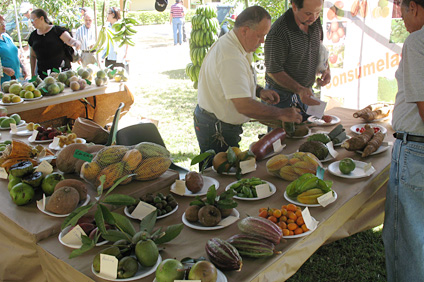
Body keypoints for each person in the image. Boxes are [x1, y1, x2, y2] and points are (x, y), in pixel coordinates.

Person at [194, 6, 303, 163]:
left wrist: (259, 91)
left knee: (227, 171)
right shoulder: (230, 56)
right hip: (215, 128)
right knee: (218, 176)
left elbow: (234, 83)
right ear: (245, 30)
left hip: (218, 123)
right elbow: (244, 106)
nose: (263, 41)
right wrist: (281, 113)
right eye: (260, 35)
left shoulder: (239, 44)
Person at [382, 1, 424, 281]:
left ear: (415, 7)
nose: (401, 17)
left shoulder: (417, 41)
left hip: (417, 150)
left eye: (402, 10)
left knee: (407, 239)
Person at [264, 0, 329, 121]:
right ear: (294, 6)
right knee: (283, 138)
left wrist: (326, 68)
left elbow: (319, 47)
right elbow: (273, 70)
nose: (314, 17)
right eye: (308, 13)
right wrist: (299, 89)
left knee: (309, 136)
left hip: (305, 93)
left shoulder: (314, 22)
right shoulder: (278, 32)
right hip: (281, 97)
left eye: (318, 12)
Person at [28, 9, 81, 79]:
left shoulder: (57, 30)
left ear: (41, 18)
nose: (32, 23)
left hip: (62, 74)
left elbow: (69, 40)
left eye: (33, 20)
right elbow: (32, 55)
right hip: (44, 76)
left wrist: (76, 43)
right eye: (30, 21)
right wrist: (32, 74)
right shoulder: (33, 36)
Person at [103, 7, 129, 72]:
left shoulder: (122, 26)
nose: (107, 16)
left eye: (108, 14)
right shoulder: (106, 27)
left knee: (121, 77)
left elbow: (127, 42)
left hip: (120, 58)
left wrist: (126, 54)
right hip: (109, 58)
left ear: (113, 15)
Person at [0, 15, 22, 85]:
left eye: (4, 23)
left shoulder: (7, 37)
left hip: (16, 76)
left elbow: (14, 54)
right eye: (0, 24)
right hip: (4, 80)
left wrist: (22, 67)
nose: (3, 25)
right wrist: (4, 69)